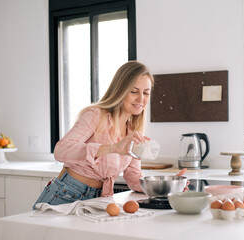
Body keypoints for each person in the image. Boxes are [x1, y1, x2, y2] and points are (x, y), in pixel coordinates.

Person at [33, 61, 186, 209]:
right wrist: (112, 148)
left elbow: (133, 176)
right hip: (66, 194)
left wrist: (167, 186)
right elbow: (61, 150)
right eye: (134, 91)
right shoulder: (95, 115)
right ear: (120, 90)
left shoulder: (132, 131)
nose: (141, 99)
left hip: (97, 198)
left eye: (146, 93)